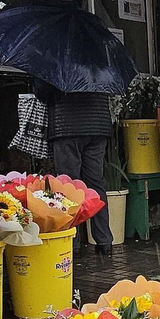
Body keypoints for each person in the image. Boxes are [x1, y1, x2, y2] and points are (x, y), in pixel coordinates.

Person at [35, 78, 114, 254]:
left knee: (68, 187)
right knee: (96, 185)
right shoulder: (100, 58)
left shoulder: (58, 60)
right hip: (98, 126)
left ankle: (73, 242)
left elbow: (43, 92)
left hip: (67, 127)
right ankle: (104, 241)